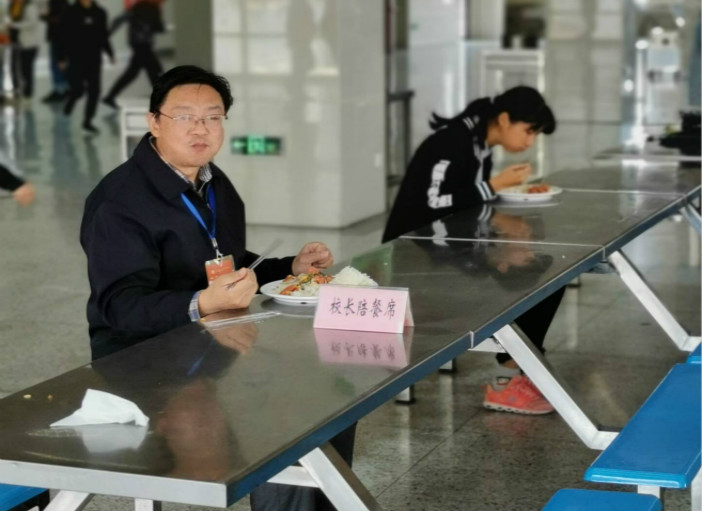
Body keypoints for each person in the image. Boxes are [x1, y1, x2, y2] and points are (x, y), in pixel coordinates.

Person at [81, 64, 351, 510]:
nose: (200, 129)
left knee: (327, 391)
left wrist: (289, 267)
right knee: (286, 418)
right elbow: (119, 306)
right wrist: (201, 302)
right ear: (154, 123)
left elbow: (226, 261)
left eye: (213, 117)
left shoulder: (210, 182)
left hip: (211, 343)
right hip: (143, 361)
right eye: (184, 117)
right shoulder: (120, 202)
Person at [383, 86, 563, 415]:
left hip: (446, 253)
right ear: (504, 119)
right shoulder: (452, 143)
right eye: (529, 131)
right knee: (537, 283)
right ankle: (507, 379)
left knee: (547, 275)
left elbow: (466, 206)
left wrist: (504, 226)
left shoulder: (479, 145)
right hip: (419, 263)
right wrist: (493, 186)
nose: (530, 141)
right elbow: (431, 205)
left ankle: (516, 368)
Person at [57, 0, 114, 134]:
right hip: (76, 57)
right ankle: (72, 99)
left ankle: (88, 121)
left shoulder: (100, 12)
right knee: (78, 89)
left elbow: (103, 35)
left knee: (94, 90)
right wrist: (61, 57)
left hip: (94, 57)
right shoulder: (69, 12)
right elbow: (62, 34)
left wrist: (110, 53)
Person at [102, 0, 169, 110]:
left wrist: (162, 27)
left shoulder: (155, 9)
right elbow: (121, 19)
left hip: (145, 45)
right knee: (154, 70)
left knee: (136, 72)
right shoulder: (140, 6)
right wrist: (107, 34)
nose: (162, 0)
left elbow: (157, 27)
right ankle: (161, 99)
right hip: (139, 45)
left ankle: (110, 96)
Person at [6, 0, 39, 101]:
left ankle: (27, 94)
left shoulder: (30, 6)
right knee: (14, 67)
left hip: (28, 43)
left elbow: (32, 23)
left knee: (26, 69)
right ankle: (16, 90)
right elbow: (10, 19)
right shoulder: (12, 5)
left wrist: (14, 25)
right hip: (15, 41)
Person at [39, 0, 69, 103]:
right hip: (61, 37)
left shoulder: (57, 1)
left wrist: (45, 17)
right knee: (60, 64)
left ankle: (59, 90)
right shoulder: (62, 0)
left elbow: (57, 19)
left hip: (58, 37)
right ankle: (65, 89)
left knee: (57, 64)